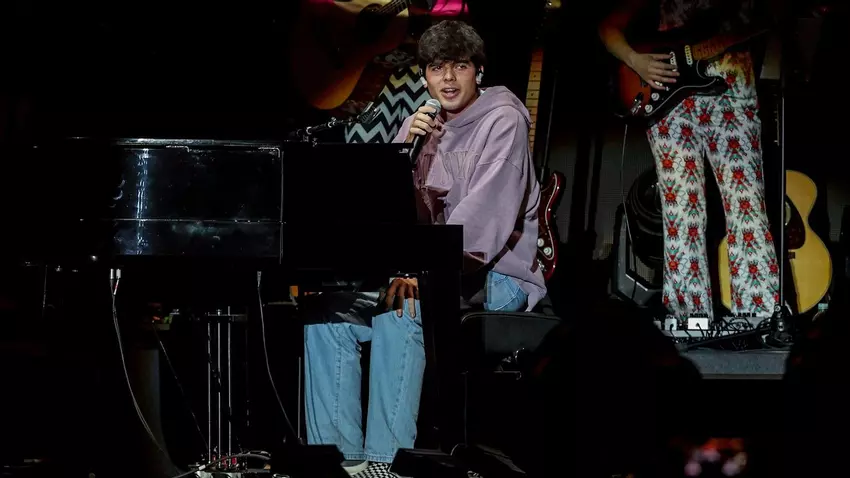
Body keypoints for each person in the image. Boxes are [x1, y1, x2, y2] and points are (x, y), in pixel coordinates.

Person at [302, 19, 546, 478]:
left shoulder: (504, 120)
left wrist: (421, 270)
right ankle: (338, 463)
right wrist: (406, 149)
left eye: (459, 66)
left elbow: (483, 221)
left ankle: (386, 463)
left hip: (496, 274)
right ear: (425, 77)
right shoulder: (423, 126)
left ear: (478, 71)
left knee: (402, 309)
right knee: (328, 314)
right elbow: (391, 212)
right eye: (436, 68)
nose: (447, 79)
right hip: (426, 267)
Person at [599, 0, 780, 324]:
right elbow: (608, 26)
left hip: (731, 88)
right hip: (669, 100)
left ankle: (759, 314)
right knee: (681, 210)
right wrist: (636, 60)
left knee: (745, 205)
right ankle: (688, 318)